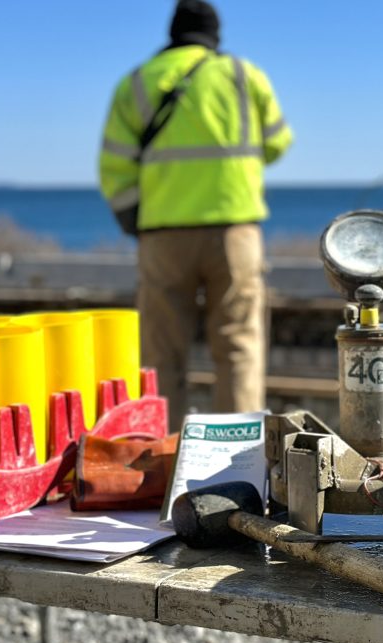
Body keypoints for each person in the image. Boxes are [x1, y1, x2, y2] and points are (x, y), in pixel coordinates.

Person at [98, 0, 293, 431]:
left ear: (172, 33)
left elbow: (114, 166)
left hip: (163, 233)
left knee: (161, 351)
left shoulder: (136, 83)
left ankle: (162, 454)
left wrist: (134, 219)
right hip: (235, 229)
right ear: (216, 37)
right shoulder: (245, 76)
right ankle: (240, 457)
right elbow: (279, 142)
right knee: (239, 344)